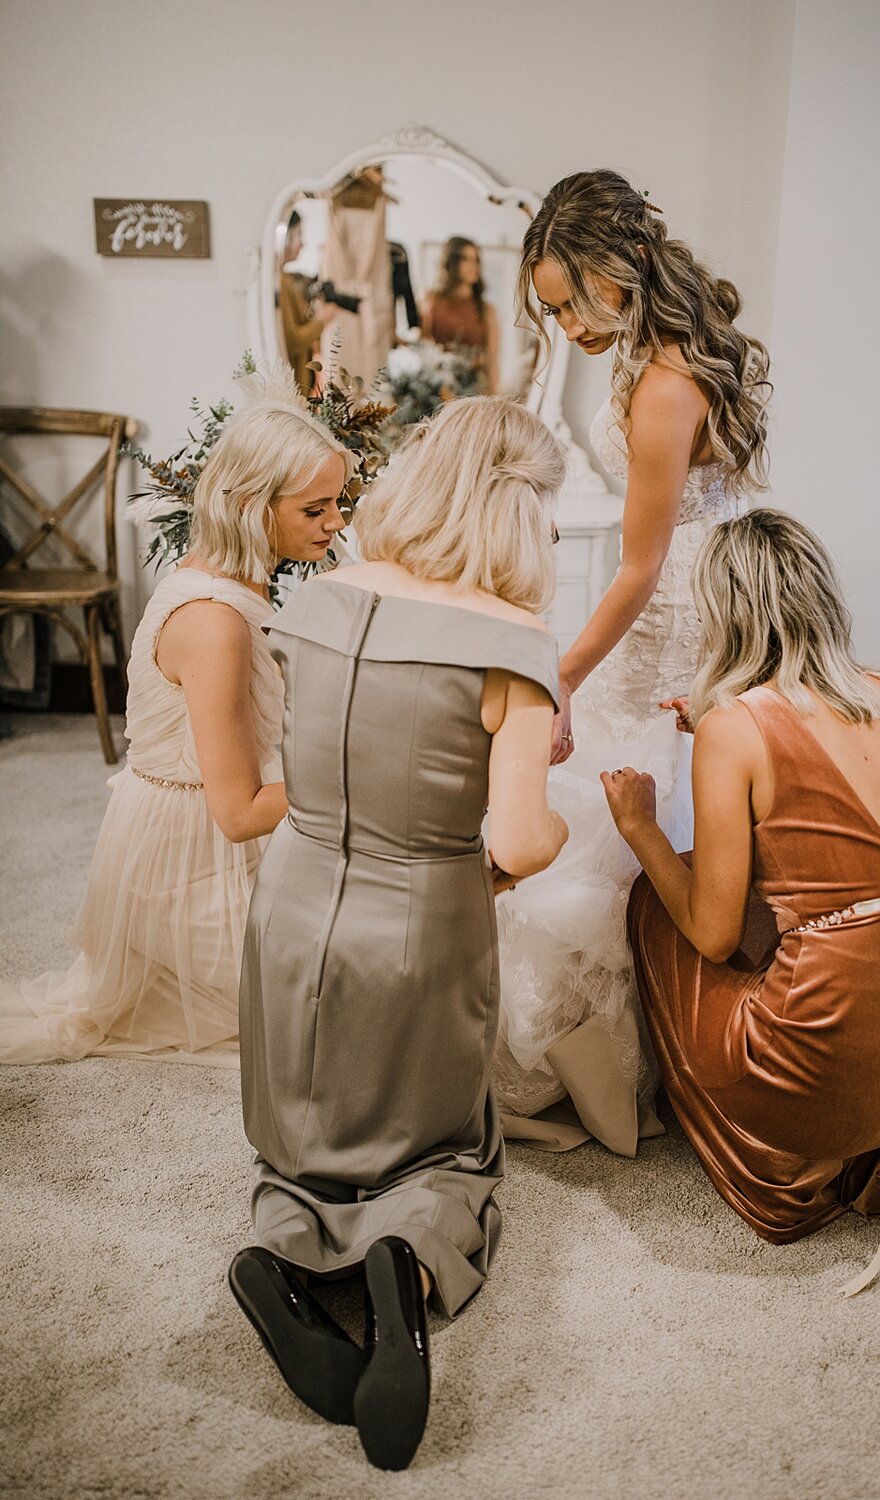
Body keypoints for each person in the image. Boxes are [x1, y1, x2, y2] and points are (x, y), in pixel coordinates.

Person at [229, 396, 567, 1470]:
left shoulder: (318, 599)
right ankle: (402, 1267)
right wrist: (544, 824)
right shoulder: (509, 644)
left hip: (289, 905)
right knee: (446, 1150)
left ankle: (283, 1249)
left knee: (301, 1139)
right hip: (418, 920)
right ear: (518, 512)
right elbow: (518, 836)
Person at [605, 509, 880, 1290]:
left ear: (725, 614)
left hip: (812, 1071)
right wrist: (722, 728)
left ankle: (780, 1151)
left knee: (661, 901)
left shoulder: (735, 729)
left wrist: (640, 827)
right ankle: (867, 1121)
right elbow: (823, 816)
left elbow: (715, 937)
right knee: (771, 892)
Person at [493, 169, 771, 1156]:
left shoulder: (661, 386)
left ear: (621, 267)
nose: (565, 325)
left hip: (675, 607)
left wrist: (556, 673)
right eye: (550, 309)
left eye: (571, 300)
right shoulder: (673, 358)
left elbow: (640, 568)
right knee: (653, 786)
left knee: (623, 783)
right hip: (717, 586)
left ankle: (629, 1052)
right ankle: (666, 1030)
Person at [0, 366, 350, 1066]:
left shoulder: (226, 577)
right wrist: (358, 779)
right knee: (349, 1010)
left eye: (338, 503)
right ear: (252, 505)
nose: (336, 522)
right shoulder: (213, 620)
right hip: (192, 860)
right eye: (316, 510)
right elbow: (241, 811)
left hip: (198, 828)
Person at [421, 236, 500, 395]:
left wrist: (494, 397)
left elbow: (492, 360)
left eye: (476, 260)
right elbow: (422, 348)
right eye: (466, 259)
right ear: (452, 263)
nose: (473, 266)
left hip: (474, 390)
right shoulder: (431, 301)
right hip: (436, 390)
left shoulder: (486, 310)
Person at [279, 209, 338, 396]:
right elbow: (293, 341)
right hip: (294, 386)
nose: (302, 244)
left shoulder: (284, 280)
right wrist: (322, 320)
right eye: (299, 235)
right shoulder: (281, 283)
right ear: (285, 238)